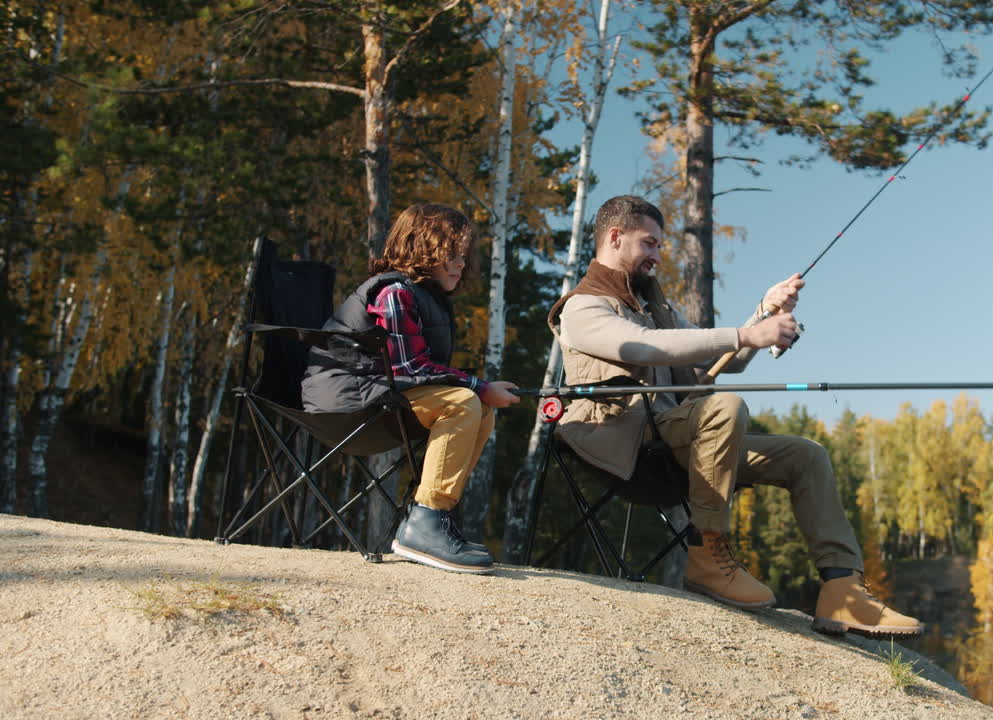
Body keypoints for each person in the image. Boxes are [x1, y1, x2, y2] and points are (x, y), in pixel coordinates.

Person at [547, 195, 922, 637]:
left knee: (806, 456)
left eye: (661, 246)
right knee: (724, 406)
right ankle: (707, 554)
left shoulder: (654, 307)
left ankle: (843, 591)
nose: (657, 255)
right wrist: (749, 332)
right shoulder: (582, 306)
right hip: (628, 448)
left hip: (676, 442)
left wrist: (764, 313)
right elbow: (640, 347)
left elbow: (723, 360)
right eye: (649, 244)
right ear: (614, 237)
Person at [302, 203, 520, 574]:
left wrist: (482, 392)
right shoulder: (395, 292)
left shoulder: (424, 296)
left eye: (464, 256)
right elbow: (410, 367)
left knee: (479, 408)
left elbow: (411, 371)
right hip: (347, 404)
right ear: (423, 247)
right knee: (464, 402)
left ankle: (436, 518)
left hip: (380, 394)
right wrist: (479, 386)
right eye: (452, 253)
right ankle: (425, 522)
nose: (461, 263)